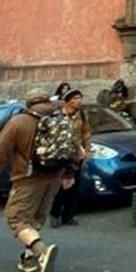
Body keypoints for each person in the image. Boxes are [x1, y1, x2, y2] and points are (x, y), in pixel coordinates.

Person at [0, 89, 62, 272]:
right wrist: (68, 173)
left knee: (16, 218)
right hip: (54, 177)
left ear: (29, 103)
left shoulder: (18, 122)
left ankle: (41, 252)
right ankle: (28, 259)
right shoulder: (60, 120)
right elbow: (73, 149)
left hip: (28, 178)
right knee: (35, 219)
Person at [50, 89, 91, 228]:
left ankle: (68, 215)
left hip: (76, 155)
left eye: (80, 97)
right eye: (76, 98)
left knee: (74, 186)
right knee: (61, 186)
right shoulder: (57, 116)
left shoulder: (81, 115)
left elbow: (86, 133)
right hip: (61, 155)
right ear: (68, 101)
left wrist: (87, 150)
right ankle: (55, 214)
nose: (79, 101)